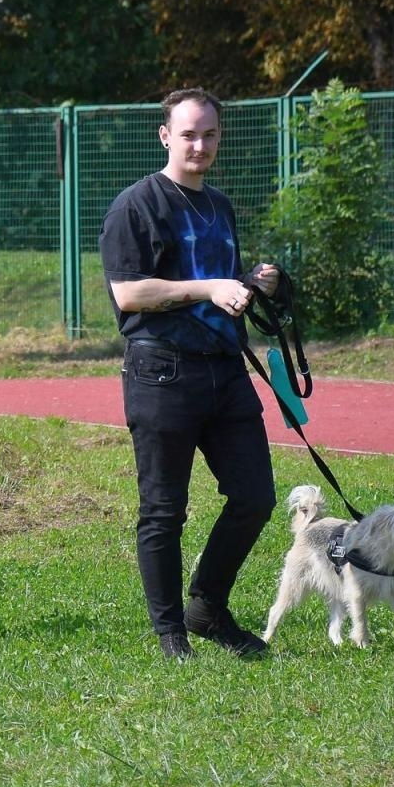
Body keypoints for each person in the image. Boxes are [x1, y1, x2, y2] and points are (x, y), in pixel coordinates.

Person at [98, 87, 281, 661]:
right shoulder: (136, 205)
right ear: (165, 137)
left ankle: (207, 608)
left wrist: (252, 284)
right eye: (188, 135)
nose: (199, 145)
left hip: (225, 370)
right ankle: (170, 633)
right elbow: (129, 294)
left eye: (209, 135)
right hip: (161, 372)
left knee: (255, 497)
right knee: (163, 510)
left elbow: (220, 285)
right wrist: (208, 289)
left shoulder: (219, 205)